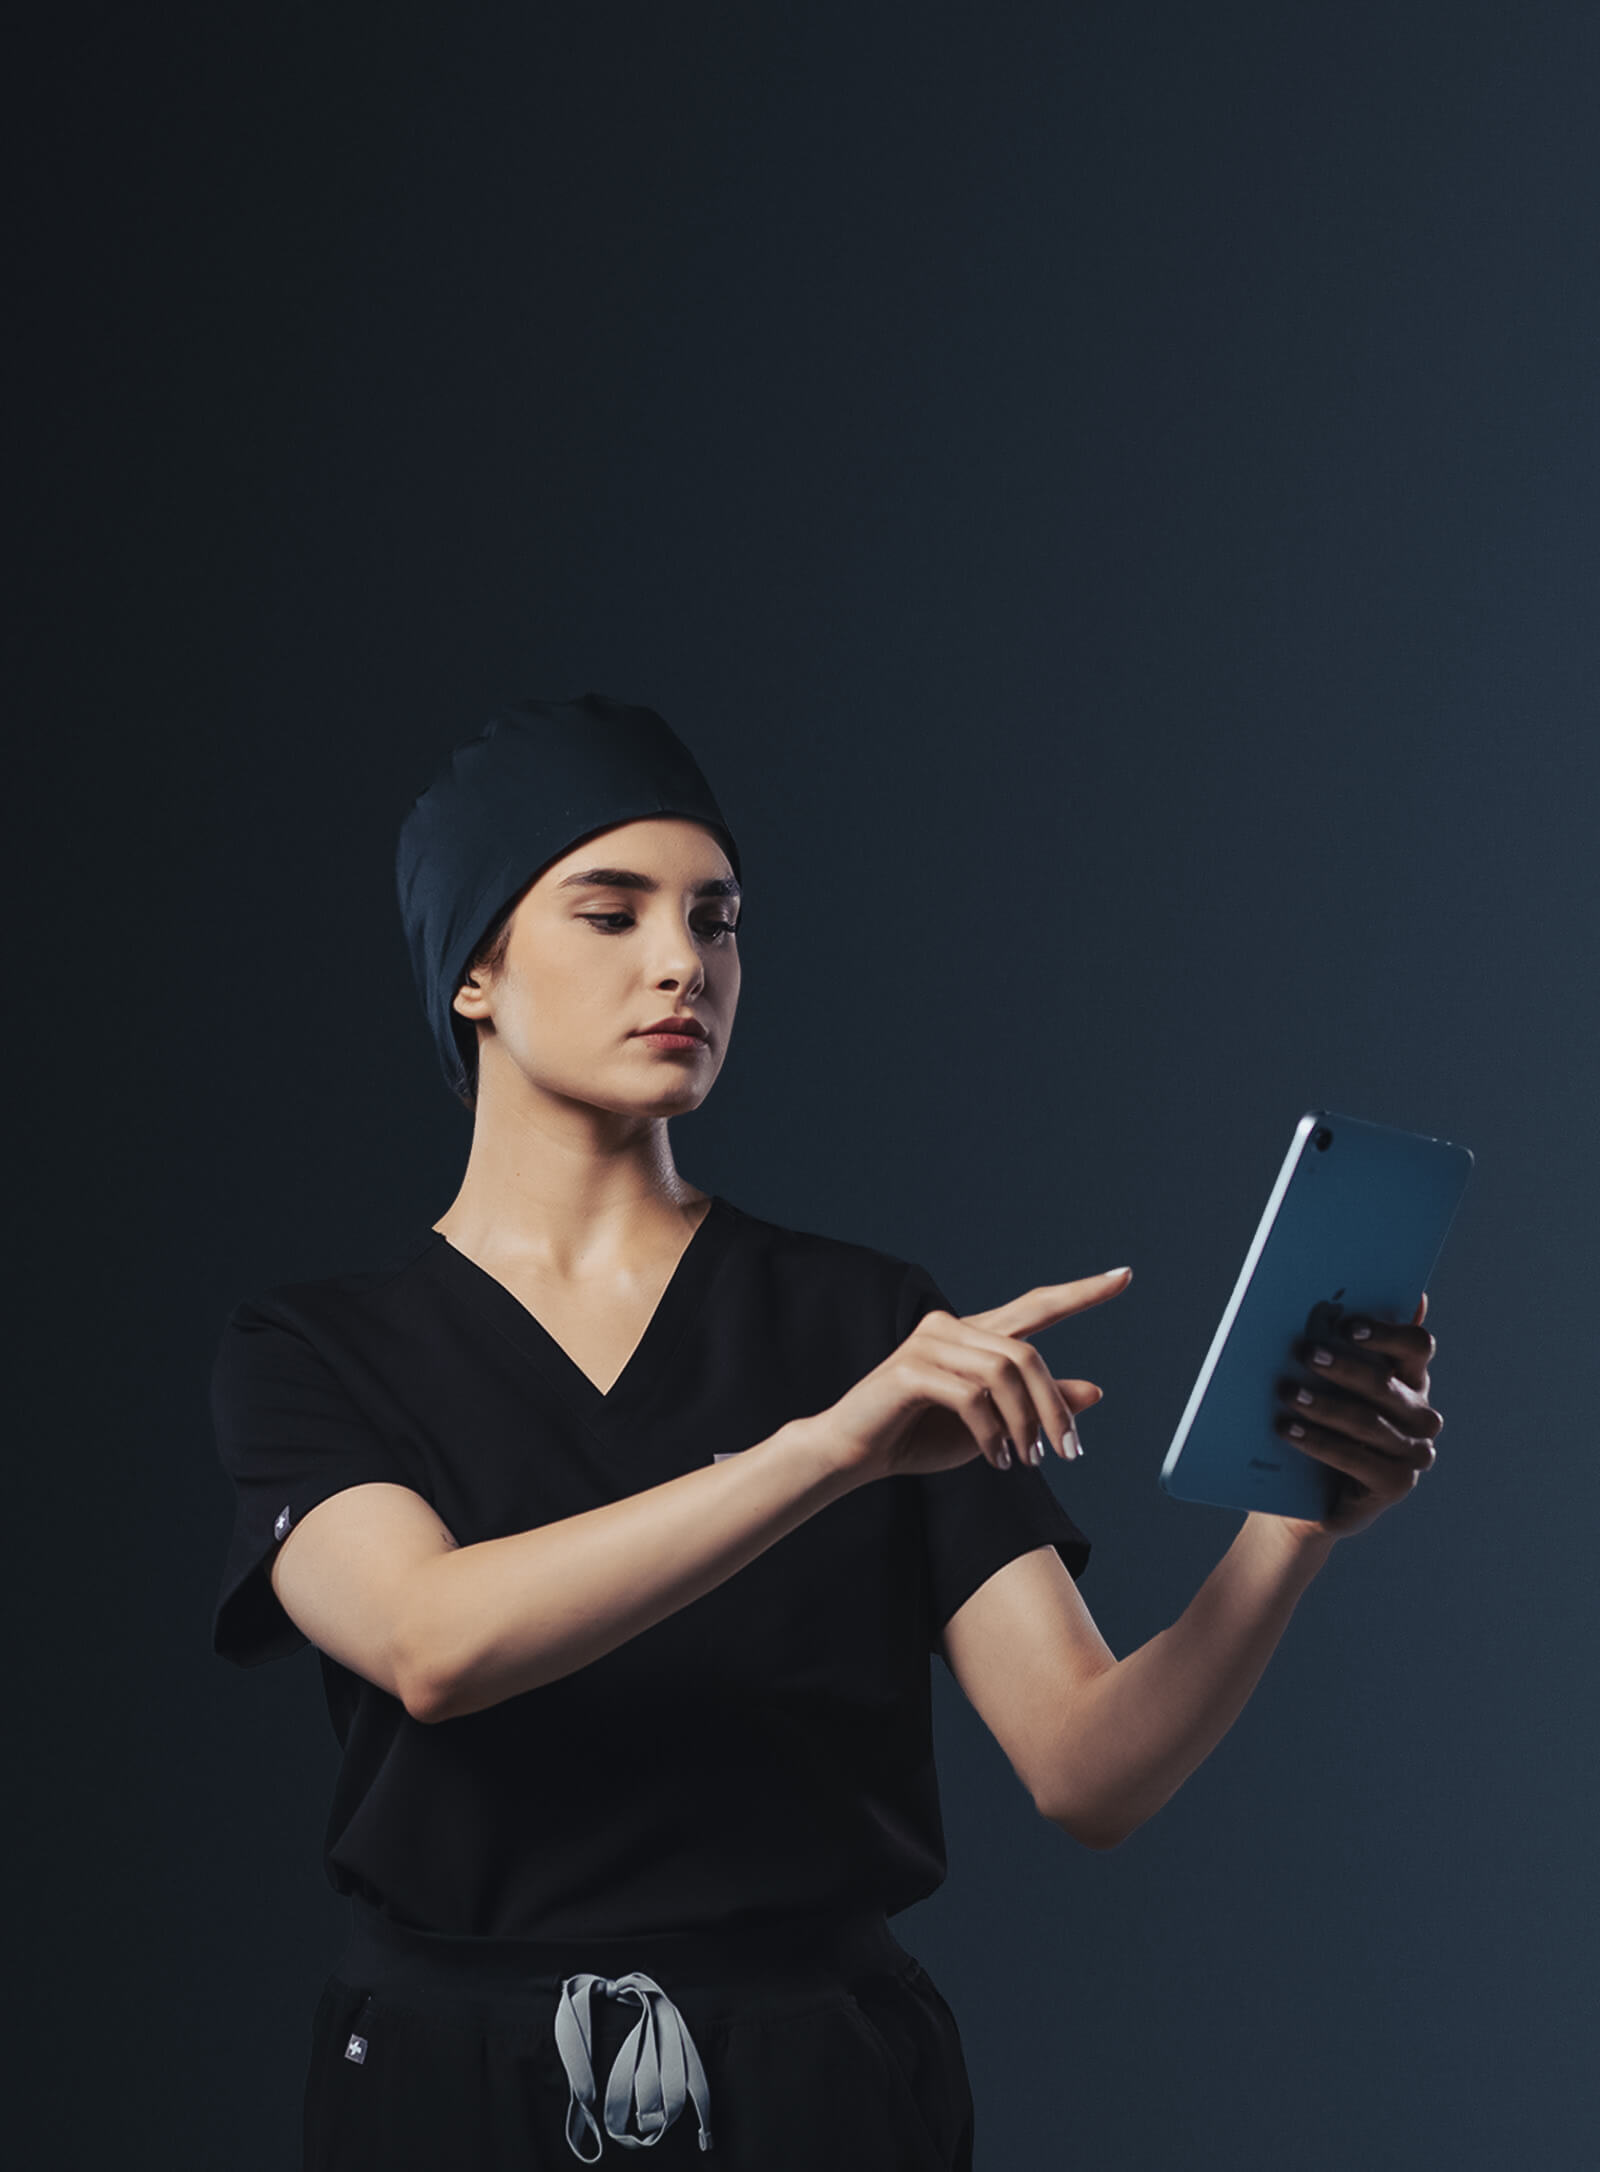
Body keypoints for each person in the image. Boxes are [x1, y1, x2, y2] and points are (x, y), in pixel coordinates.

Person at [209, 692, 1445, 2170]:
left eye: (716, 919)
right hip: (445, 2094)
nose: (683, 961)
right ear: (475, 970)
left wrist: (1290, 1524)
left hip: (819, 2092)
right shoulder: (320, 1352)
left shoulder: (871, 1325)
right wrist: (826, 1451)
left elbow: (1089, 1769)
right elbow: (434, 1644)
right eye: (610, 913)